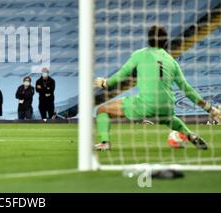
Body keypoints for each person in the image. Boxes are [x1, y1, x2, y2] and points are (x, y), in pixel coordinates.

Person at [93, 25, 221, 151]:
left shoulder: (140, 54)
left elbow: (121, 74)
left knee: (102, 110)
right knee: (169, 119)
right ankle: (190, 135)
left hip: (146, 105)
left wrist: (105, 83)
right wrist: (210, 109)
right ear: (166, 42)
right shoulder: (172, 61)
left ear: (148, 40)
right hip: (167, 106)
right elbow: (187, 90)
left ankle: (105, 143)